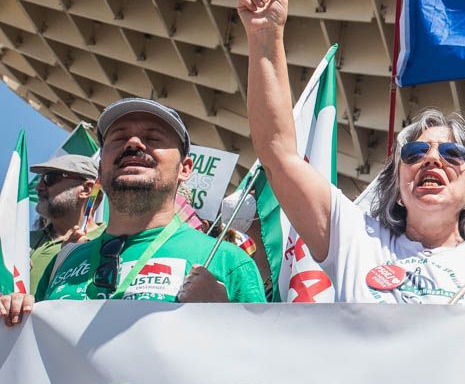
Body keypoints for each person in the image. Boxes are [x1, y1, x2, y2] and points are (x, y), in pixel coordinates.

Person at [237, 0, 465, 348]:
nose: (432, 160)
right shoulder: (355, 240)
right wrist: (266, 38)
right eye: (414, 153)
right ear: (397, 186)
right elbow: (279, 152)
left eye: (451, 153)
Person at [1, 98, 266, 326]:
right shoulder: (62, 263)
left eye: (153, 138)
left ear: (185, 169)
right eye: (118, 138)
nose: (134, 143)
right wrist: (15, 318)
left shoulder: (227, 261)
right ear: (100, 168)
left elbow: (261, 371)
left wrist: (225, 319)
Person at [28, 153, 99, 287]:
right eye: (40, 179)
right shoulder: (19, 242)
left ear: (86, 189)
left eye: (50, 178)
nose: (39, 187)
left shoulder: (109, 241)